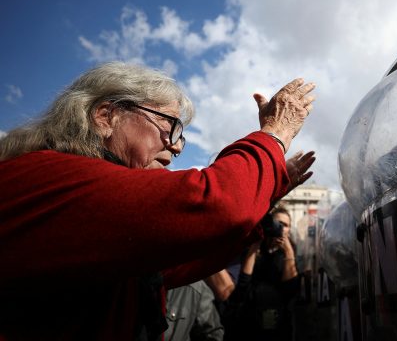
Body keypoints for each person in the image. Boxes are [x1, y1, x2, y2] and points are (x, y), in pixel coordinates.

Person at [0, 62, 317, 340]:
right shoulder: (50, 176)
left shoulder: (84, 198)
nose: (176, 147)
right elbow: (217, 205)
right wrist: (274, 134)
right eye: (170, 126)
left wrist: (267, 188)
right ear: (106, 116)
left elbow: (184, 259)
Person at [223, 206, 300, 341]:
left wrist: (288, 250)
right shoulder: (254, 250)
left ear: (289, 230)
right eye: (278, 223)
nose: (281, 228)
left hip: (279, 321)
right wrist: (256, 243)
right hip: (251, 321)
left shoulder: (289, 254)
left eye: (285, 225)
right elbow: (243, 285)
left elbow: (290, 290)